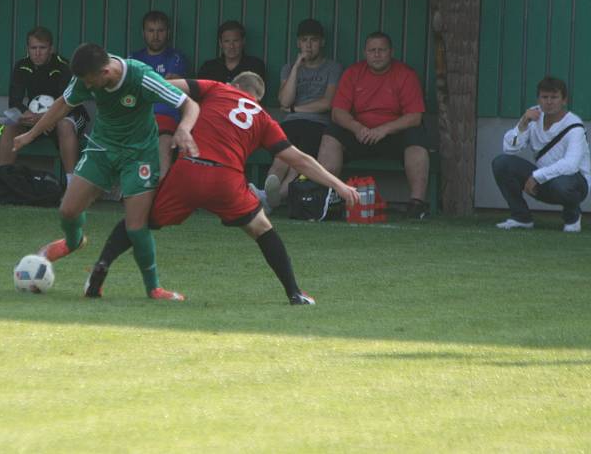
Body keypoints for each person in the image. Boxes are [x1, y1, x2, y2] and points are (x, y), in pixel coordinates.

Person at [81, 73, 360, 305]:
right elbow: (300, 159)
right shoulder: (263, 118)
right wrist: (338, 184)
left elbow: (170, 85)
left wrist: (131, 89)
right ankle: (294, 292)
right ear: (257, 98)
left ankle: (100, 270)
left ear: (234, 85)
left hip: (188, 169)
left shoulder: (218, 88)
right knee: (263, 230)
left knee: (138, 221)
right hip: (225, 179)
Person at [13, 43, 200, 301]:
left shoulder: (141, 76)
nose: (87, 88)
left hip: (139, 155)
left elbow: (190, 105)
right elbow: (61, 105)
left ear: (105, 72)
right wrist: (30, 135)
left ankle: (154, 288)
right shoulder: (85, 79)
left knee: (136, 227)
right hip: (103, 148)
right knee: (68, 211)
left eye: (90, 82)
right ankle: (73, 241)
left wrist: (185, 129)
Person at [319, 31, 430, 219]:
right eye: (372, 50)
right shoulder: (353, 73)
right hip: (360, 135)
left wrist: (383, 129)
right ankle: (325, 198)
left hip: (392, 136)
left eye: (382, 50)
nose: (377, 54)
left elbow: (415, 116)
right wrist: (357, 128)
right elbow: (338, 112)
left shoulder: (405, 74)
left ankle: (417, 204)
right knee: (332, 133)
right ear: (365, 53)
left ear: (391, 52)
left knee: (416, 135)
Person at [254, 19, 342, 210]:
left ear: (322, 43)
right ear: (298, 43)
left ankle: (270, 198)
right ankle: (267, 196)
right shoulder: (289, 68)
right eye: (304, 40)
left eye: (313, 40)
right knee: (281, 158)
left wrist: (296, 109)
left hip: (318, 125)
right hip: (291, 123)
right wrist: (296, 67)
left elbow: (327, 103)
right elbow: (284, 101)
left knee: (297, 161)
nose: (308, 45)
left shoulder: (332, 68)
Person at [492, 77, 590, 232]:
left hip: (574, 185)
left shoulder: (575, 126)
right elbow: (509, 149)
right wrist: (523, 124)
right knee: (501, 163)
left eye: (554, 97)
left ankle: (572, 217)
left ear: (564, 100)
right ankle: (521, 217)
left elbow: (571, 165)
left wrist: (537, 176)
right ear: (538, 99)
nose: (549, 102)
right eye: (544, 97)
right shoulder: (534, 116)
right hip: (543, 182)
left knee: (562, 183)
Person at [0, 26, 89, 187]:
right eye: (33, 48)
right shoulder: (21, 66)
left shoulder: (63, 65)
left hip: (69, 114)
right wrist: (26, 114)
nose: (37, 53)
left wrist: (46, 119)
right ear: (28, 49)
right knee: (11, 125)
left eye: (42, 48)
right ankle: (2, 179)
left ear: (51, 49)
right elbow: (14, 101)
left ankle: (72, 185)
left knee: (64, 125)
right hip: (36, 118)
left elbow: (66, 102)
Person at [130, 10, 190, 179]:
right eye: (151, 30)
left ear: (168, 32)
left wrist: (145, 84)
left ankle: (162, 194)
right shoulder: (134, 57)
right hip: (138, 117)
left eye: (160, 30)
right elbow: (131, 88)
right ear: (143, 33)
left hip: (166, 116)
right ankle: (132, 189)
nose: (155, 36)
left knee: (163, 145)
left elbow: (170, 85)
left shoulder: (176, 58)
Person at [198, 20, 266, 83]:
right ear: (220, 43)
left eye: (236, 41)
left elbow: (257, 93)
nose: (231, 46)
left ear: (243, 41)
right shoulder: (208, 68)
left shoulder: (255, 66)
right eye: (226, 41)